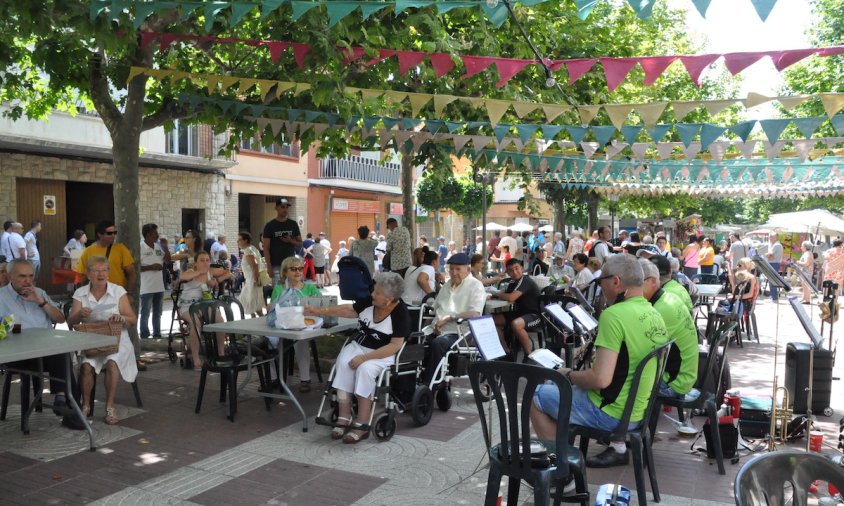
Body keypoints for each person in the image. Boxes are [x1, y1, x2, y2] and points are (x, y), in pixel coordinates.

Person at [531, 254, 669, 468]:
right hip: (638, 412)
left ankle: (562, 471)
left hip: (612, 413)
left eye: (602, 282)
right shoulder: (653, 312)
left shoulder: (614, 315)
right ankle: (566, 453)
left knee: (537, 395)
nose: (601, 288)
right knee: (555, 391)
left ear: (616, 281)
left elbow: (600, 379)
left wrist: (568, 374)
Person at [304, 273, 410, 444]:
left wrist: (364, 358)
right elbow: (350, 310)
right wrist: (319, 311)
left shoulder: (400, 313)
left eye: (377, 293)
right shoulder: (371, 301)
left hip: (382, 354)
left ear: (389, 299)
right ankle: (344, 416)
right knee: (343, 363)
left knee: (365, 370)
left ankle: (362, 422)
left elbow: (395, 345)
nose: (372, 295)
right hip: (359, 345)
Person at [0, 259, 77, 428]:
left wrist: (40, 302)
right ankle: (66, 402)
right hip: (19, 354)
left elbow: (60, 319)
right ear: (10, 276)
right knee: (62, 357)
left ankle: (63, 400)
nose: (27, 281)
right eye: (22, 276)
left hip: (46, 351)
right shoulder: (1, 297)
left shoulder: (40, 292)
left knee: (62, 352)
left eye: (30, 276)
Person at [67, 256, 138, 425]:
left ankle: (110, 407)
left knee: (112, 364)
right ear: (88, 273)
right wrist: (79, 314)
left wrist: (120, 317)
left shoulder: (118, 290)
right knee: (86, 366)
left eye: (104, 270)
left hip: (116, 339)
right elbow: (70, 322)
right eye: (96, 270)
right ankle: (85, 406)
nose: (101, 274)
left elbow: (132, 319)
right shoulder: (80, 293)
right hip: (91, 340)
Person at [422, 253, 486, 385]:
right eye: (451, 269)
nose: (453, 273)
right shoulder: (446, 285)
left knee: (438, 344)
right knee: (414, 342)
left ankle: (429, 387)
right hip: (437, 330)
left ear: (467, 270)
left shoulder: (476, 286)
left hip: (460, 333)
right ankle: (411, 386)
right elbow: (435, 311)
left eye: (458, 269)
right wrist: (434, 325)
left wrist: (450, 317)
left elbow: (475, 313)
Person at [639, 259, 698, 400]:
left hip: (674, 382)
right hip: (684, 376)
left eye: (637, 283)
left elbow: (640, 353)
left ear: (653, 280)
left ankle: (635, 420)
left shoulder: (660, 308)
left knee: (620, 382)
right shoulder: (669, 296)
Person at [271, 256, 322, 393]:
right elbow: (272, 309)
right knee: (272, 341)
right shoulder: (279, 288)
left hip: (305, 325)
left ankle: (305, 378)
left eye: (300, 268)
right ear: (285, 272)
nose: (298, 272)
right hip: (284, 325)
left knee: (301, 341)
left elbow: (321, 305)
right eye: (293, 269)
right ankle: (274, 378)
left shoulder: (310, 288)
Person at [178, 251, 234, 370]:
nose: (205, 262)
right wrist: (200, 273)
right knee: (196, 323)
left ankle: (221, 353)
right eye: (202, 260)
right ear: (196, 262)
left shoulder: (210, 272)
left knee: (220, 320)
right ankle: (196, 358)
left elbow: (227, 273)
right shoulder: (191, 272)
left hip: (204, 304)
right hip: (188, 306)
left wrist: (216, 280)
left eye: (207, 260)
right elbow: (182, 277)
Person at [492, 258, 542, 356]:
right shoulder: (512, 283)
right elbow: (505, 294)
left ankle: (529, 355)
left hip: (534, 315)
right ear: (508, 272)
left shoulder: (526, 281)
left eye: (516, 268)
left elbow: (511, 297)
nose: (514, 272)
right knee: (491, 321)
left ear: (522, 269)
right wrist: (493, 295)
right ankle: (505, 349)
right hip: (518, 313)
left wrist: (496, 293)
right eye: (511, 270)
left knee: (516, 324)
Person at [139, 223, 170, 340]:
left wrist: (165, 247)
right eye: (155, 233)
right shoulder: (140, 247)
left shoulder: (157, 247)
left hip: (159, 286)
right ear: (148, 235)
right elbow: (136, 267)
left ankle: (157, 334)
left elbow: (167, 260)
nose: (158, 235)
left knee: (158, 312)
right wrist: (151, 267)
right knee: (145, 312)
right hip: (146, 287)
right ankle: (144, 335)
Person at [262, 197, 303, 284]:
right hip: (276, 265)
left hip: (291, 265)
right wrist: (269, 267)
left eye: (286, 207)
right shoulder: (270, 226)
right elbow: (266, 247)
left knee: (293, 291)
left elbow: (300, 244)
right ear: (276, 208)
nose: (285, 209)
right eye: (282, 207)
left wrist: (290, 241)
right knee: (278, 293)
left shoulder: (293, 224)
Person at [236, 232, 266, 317]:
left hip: (252, 281)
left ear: (245, 240)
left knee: (253, 304)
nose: (237, 241)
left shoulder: (248, 250)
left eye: (239, 239)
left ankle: (260, 322)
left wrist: (256, 279)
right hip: (251, 280)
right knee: (252, 305)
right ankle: (256, 320)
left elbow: (255, 265)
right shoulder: (252, 248)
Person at [766, 232, 784, 300]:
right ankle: (773, 295)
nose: (770, 238)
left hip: (774, 263)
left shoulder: (776, 245)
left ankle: (774, 296)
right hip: (774, 263)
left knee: (772, 280)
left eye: (771, 237)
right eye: (770, 237)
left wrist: (767, 255)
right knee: (772, 280)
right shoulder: (774, 244)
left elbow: (770, 255)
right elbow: (770, 256)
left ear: (775, 237)